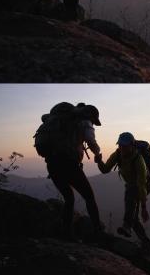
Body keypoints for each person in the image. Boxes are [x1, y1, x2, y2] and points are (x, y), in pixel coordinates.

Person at [45, 103, 105, 241]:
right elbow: (90, 140)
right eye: (94, 121)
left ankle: (66, 233)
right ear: (91, 116)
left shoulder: (59, 120)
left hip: (52, 164)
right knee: (89, 197)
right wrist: (97, 153)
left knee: (69, 199)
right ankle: (98, 232)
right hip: (68, 164)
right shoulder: (85, 122)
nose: (94, 124)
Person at [96, 132, 150, 251]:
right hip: (131, 184)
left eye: (125, 146)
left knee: (131, 196)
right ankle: (146, 242)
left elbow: (141, 185)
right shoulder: (117, 154)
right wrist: (99, 162)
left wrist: (143, 207)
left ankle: (127, 227)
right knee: (134, 217)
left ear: (132, 146)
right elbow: (105, 169)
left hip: (145, 185)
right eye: (120, 145)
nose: (122, 148)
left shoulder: (139, 160)